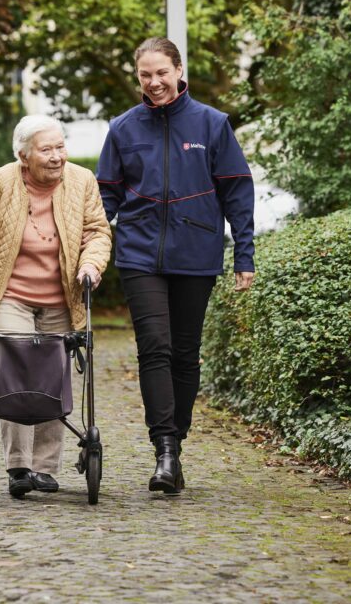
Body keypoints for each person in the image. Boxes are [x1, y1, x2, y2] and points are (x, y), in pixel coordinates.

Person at [97, 37, 255, 494]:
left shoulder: (212, 124)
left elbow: (237, 190)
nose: (154, 82)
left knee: (185, 353)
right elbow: (105, 195)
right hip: (139, 253)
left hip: (196, 252)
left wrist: (244, 254)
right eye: (145, 75)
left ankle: (176, 445)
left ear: (179, 70)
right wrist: (84, 242)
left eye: (161, 72)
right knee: (154, 347)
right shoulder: (122, 128)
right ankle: (164, 448)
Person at [0, 114, 111, 498]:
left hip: (62, 297)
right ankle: (18, 465)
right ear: (23, 156)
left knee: (53, 375)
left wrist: (91, 264)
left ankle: (45, 467)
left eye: (60, 147)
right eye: (46, 150)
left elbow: (97, 232)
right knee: (16, 372)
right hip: (9, 295)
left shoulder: (82, 181)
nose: (56, 157)